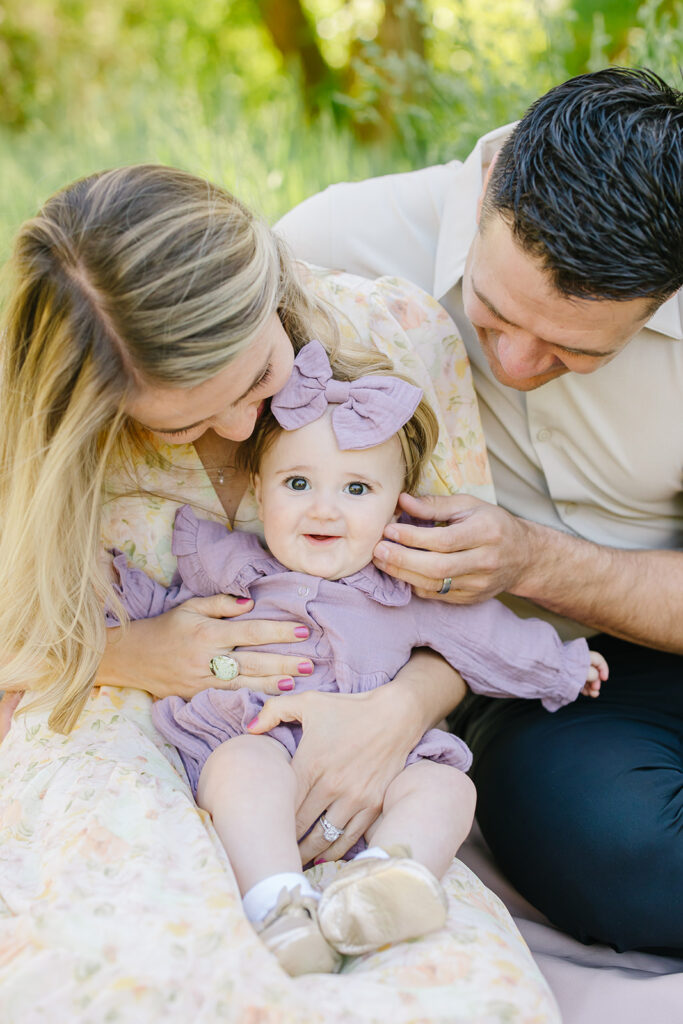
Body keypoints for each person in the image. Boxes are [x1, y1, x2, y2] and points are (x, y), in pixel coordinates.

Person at [0, 165, 559, 1021]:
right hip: (125, 734)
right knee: (135, 965)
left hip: (364, 723)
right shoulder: (57, 411)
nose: (234, 431)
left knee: (436, 982)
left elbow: (454, 608)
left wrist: (398, 714)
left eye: (257, 380)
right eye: (180, 423)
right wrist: (127, 649)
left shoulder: (398, 338)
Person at [275, 66, 683, 954]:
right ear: (491, 185)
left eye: (576, 352)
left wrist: (539, 561)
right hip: (523, 677)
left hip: (664, 611)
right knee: (613, 844)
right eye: (492, 314)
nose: (517, 364)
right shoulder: (334, 245)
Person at [107, 340, 606, 975]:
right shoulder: (228, 566)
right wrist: (111, 587)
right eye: (297, 483)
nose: (324, 508)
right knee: (241, 763)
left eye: (357, 488)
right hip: (264, 748)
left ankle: (387, 882)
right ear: (259, 491)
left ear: (398, 504)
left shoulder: (408, 591)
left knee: (447, 787)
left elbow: (493, 637)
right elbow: (160, 611)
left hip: (377, 779)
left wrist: (564, 665)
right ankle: (279, 904)